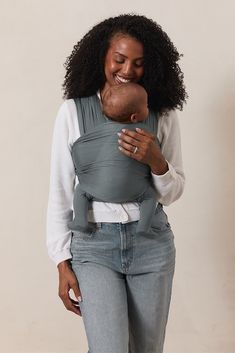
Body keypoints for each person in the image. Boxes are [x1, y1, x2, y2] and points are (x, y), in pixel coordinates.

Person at [47, 13, 187, 353]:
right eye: (119, 59)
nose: (127, 70)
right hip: (94, 247)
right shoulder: (72, 112)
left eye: (138, 63)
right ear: (103, 57)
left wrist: (157, 161)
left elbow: (173, 191)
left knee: (146, 349)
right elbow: (61, 190)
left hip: (151, 244)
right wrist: (61, 260)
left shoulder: (162, 114)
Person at [68, 83, 158, 235]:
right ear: (134, 117)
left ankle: (80, 221)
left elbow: (79, 151)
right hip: (135, 191)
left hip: (96, 190)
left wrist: (88, 174)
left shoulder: (93, 133)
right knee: (150, 196)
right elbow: (154, 152)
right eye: (147, 105)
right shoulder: (145, 132)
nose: (149, 108)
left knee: (81, 190)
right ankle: (144, 227)